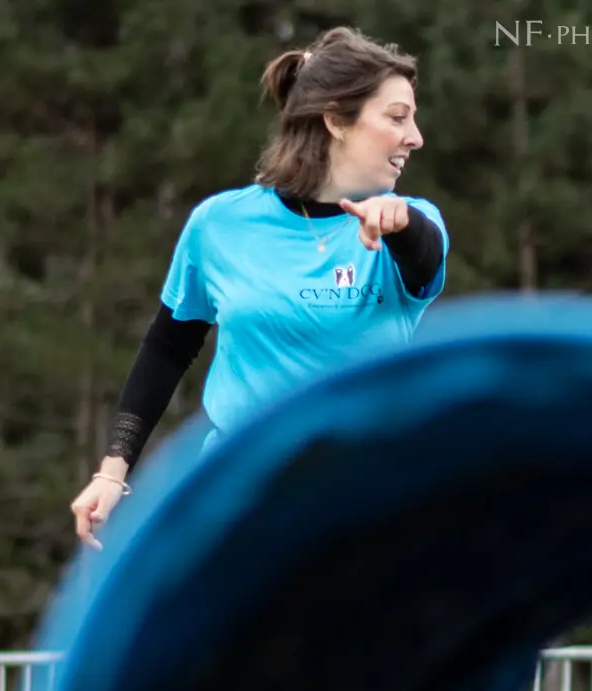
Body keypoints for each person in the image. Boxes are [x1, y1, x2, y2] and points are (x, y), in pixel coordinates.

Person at [72, 26, 449, 547]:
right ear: (337, 120)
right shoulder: (219, 225)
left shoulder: (413, 226)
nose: (415, 136)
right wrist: (112, 472)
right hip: (241, 507)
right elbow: (167, 348)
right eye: (397, 117)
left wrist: (401, 222)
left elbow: (424, 263)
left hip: (368, 507)